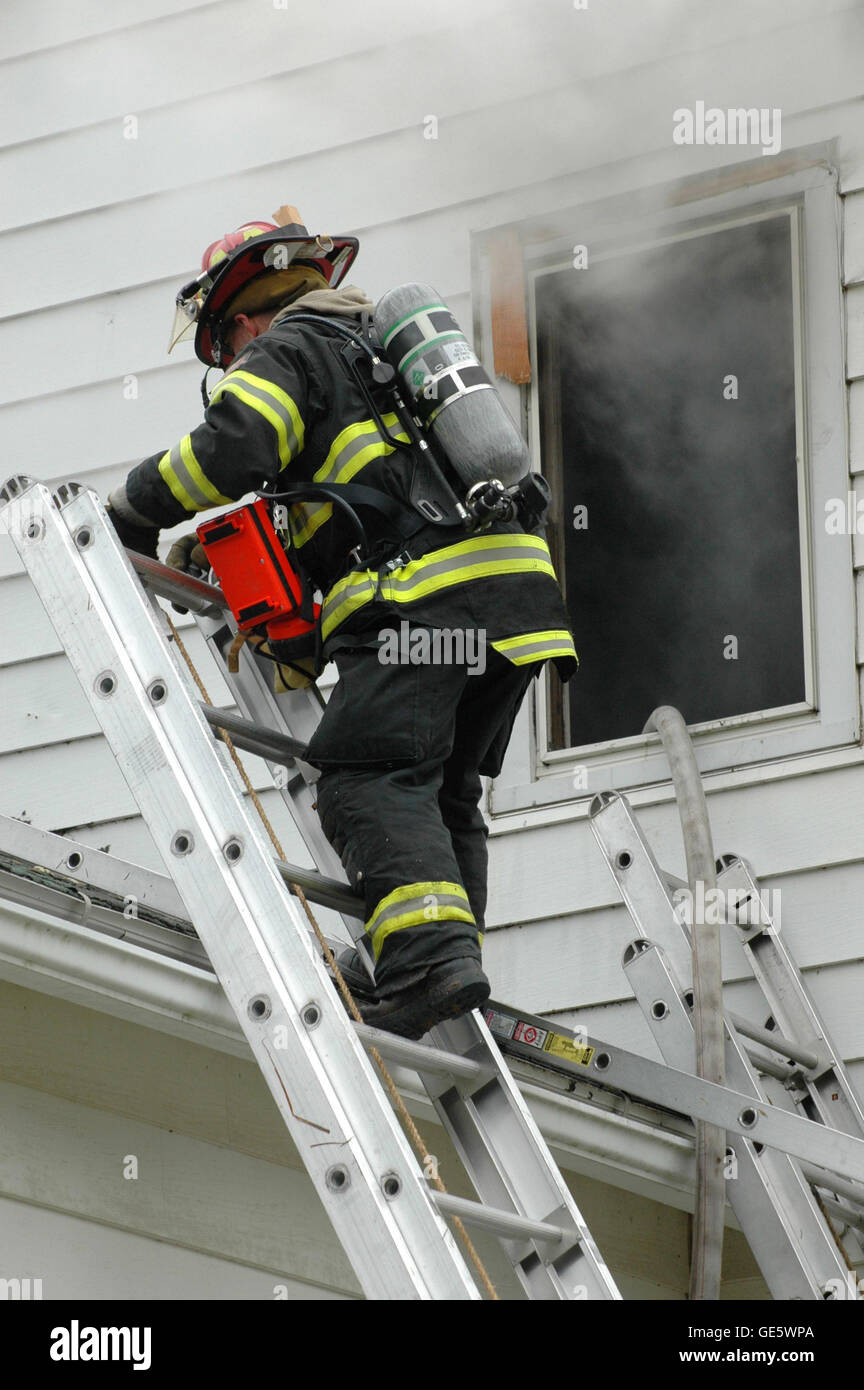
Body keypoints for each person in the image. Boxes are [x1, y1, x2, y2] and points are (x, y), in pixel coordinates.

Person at [106, 205, 578, 1039]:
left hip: (428, 602)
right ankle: (440, 961)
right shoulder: (377, 359)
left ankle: (425, 961)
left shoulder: (290, 348)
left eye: (230, 342)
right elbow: (359, 497)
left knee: (365, 776)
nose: (237, 357)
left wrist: (130, 508)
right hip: (515, 601)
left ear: (243, 316)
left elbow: (233, 446)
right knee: (441, 789)